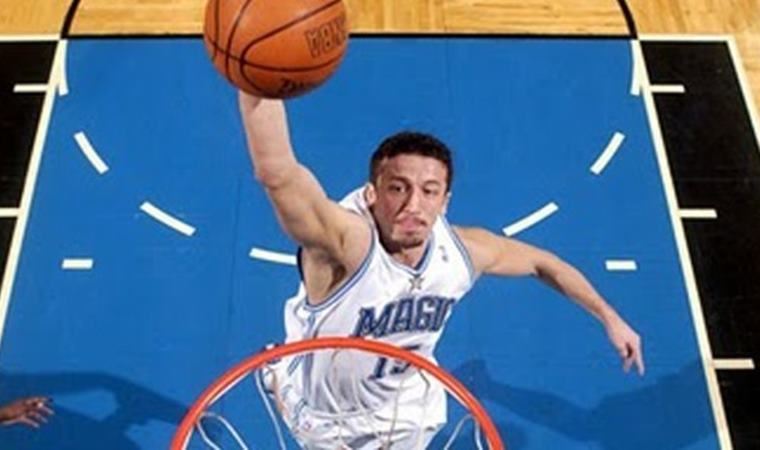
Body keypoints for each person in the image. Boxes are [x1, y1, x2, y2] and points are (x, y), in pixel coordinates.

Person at [239, 92, 644, 449]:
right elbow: (278, 174)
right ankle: (280, 375)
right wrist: (255, 81)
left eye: (429, 191)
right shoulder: (345, 243)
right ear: (371, 193)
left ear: (445, 201)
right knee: (301, 383)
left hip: (406, 407)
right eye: (397, 188)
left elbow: (543, 263)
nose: (413, 205)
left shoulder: (464, 251)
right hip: (326, 416)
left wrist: (609, 317)